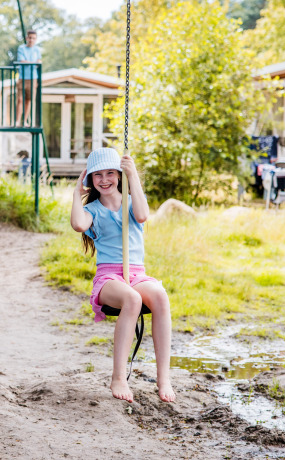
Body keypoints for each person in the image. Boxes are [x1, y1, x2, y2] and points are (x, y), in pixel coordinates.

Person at [70, 147, 175, 403]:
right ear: (90, 180)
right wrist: (76, 193)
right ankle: (118, 377)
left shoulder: (131, 201)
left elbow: (142, 215)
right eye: (97, 175)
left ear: (119, 174)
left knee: (160, 297)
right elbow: (78, 225)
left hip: (136, 273)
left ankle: (164, 378)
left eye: (110, 173)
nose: (104, 180)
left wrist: (134, 175)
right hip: (109, 278)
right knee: (132, 299)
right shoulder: (93, 209)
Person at [14, 29, 41, 126]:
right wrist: (33, 63)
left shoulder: (37, 50)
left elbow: (38, 61)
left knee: (28, 100)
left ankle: (24, 121)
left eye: (33, 38)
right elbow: (22, 61)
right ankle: (17, 121)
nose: (31, 40)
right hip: (22, 77)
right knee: (20, 99)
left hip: (33, 78)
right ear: (27, 38)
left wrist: (32, 63)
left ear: (36, 39)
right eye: (30, 38)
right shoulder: (21, 48)